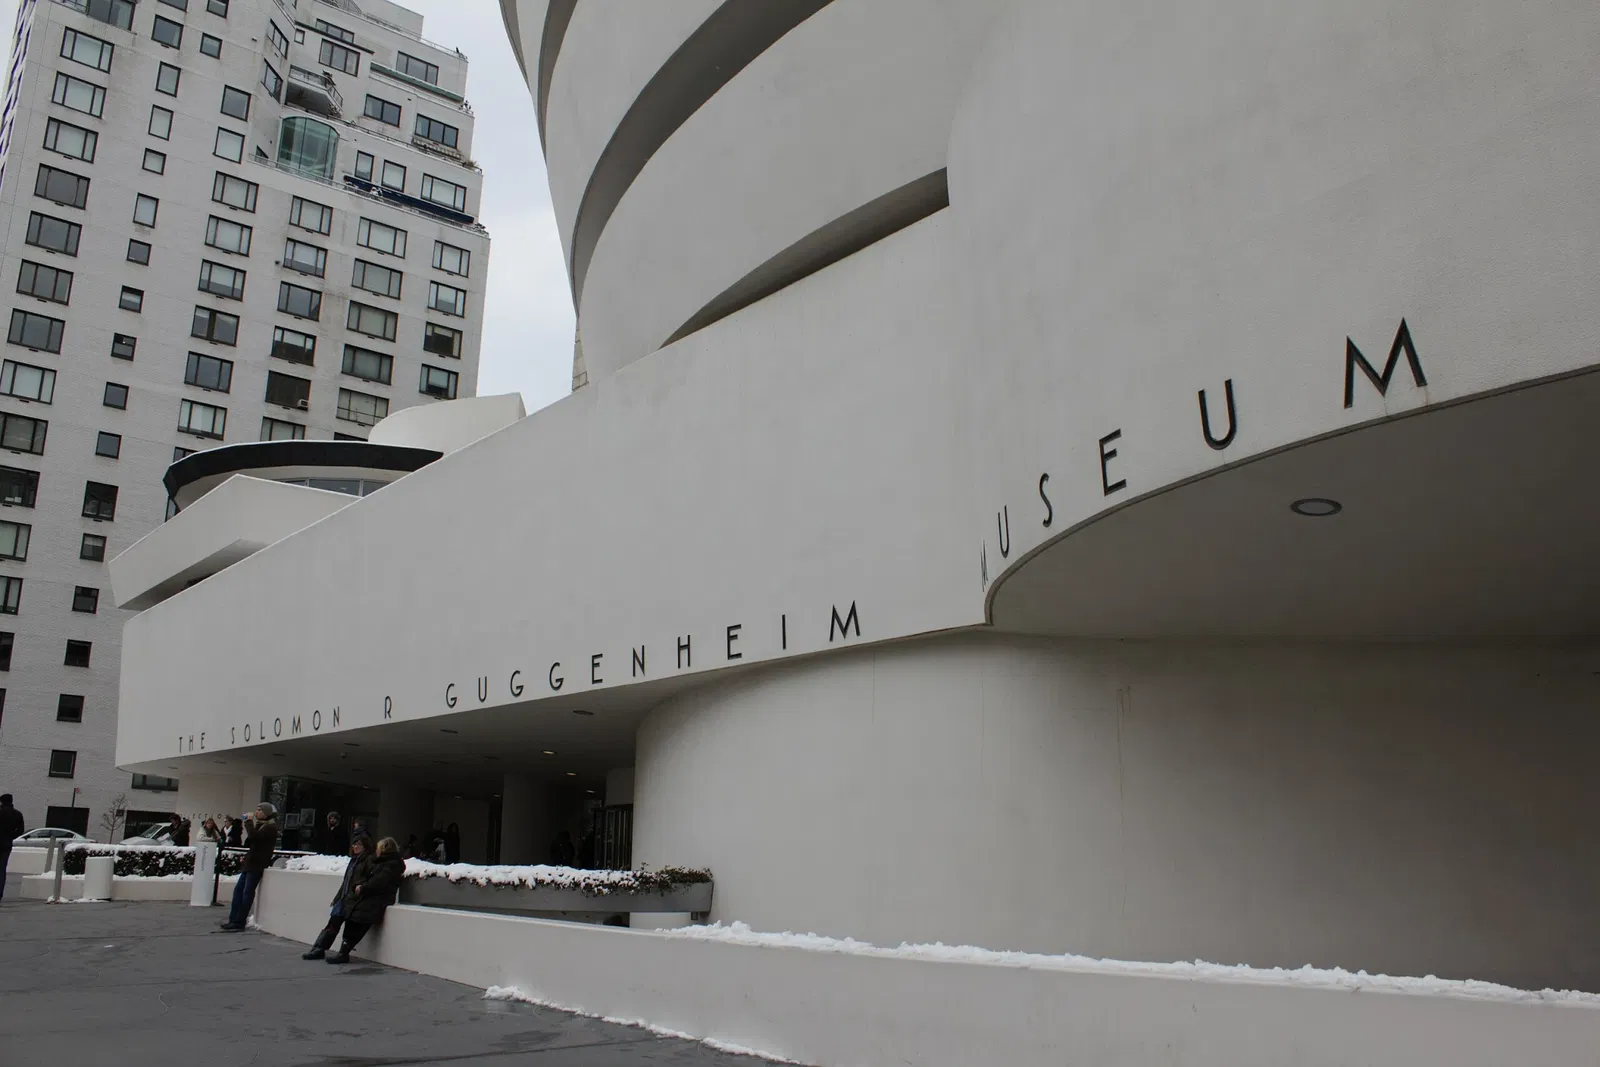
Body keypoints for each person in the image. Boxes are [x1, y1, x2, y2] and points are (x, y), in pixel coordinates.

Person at [303, 836, 404, 964]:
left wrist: (362, 888)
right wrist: (340, 896)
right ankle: (319, 948)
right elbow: (348, 881)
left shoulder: (378, 862)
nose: (355, 847)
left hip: (363, 899)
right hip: (354, 897)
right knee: (335, 919)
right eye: (354, 844)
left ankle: (340, 952)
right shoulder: (363, 861)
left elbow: (377, 881)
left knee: (354, 921)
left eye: (358, 845)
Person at [220, 803, 278, 932]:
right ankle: (233, 920)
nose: (256, 812)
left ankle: (239, 921)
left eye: (259, 810)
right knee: (238, 892)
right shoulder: (262, 825)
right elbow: (252, 841)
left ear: (266, 813)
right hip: (250, 863)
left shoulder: (270, 827)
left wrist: (248, 822)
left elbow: (254, 837)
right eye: (257, 809)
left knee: (247, 893)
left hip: (257, 864)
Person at [0, 794, 23, 902]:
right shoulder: (17, 814)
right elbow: (20, 831)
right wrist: (11, 836)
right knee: (2, 870)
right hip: (6, 845)